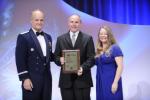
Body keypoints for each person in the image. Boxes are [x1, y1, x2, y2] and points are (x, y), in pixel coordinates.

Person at [54, 14, 95, 100]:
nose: (74, 24)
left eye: (76, 22)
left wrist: (82, 68)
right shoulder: (60, 39)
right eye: (72, 22)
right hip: (66, 82)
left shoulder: (88, 38)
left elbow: (91, 58)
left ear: (80, 23)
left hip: (83, 80)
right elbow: (56, 57)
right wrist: (59, 60)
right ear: (68, 23)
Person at [15, 9, 54, 100]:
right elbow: (20, 60)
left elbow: (48, 56)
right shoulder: (23, 37)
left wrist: (60, 58)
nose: (39, 22)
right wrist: (25, 78)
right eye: (36, 20)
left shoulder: (48, 37)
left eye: (41, 20)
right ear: (31, 21)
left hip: (47, 79)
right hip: (32, 79)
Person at [95, 25, 124, 100]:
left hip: (111, 81)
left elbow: (120, 66)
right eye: (101, 34)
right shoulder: (98, 50)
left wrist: (115, 82)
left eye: (105, 33)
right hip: (100, 82)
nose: (102, 36)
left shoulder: (115, 48)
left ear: (109, 35)